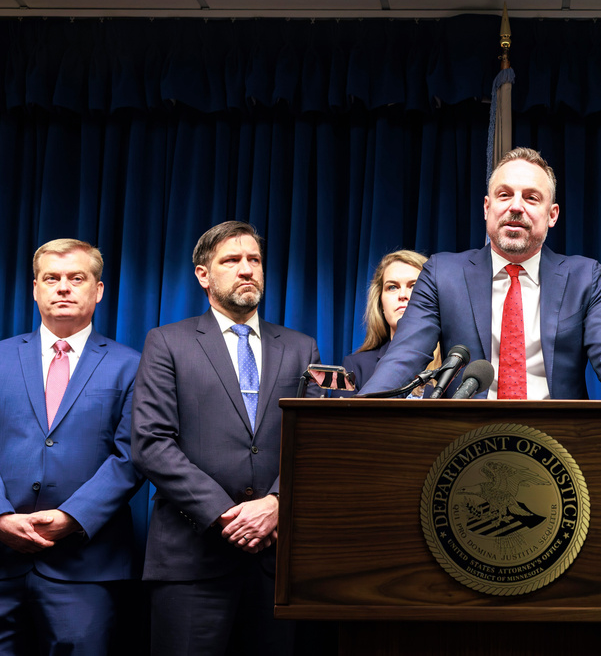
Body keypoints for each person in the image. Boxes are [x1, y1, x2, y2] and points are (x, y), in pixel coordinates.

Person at [131, 221, 322, 656]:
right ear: (203, 275)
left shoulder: (301, 348)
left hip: (277, 562)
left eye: (253, 260)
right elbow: (151, 443)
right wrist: (227, 515)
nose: (246, 270)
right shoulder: (167, 343)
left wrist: (274, 504)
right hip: (191, 561)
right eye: (231, 261)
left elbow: (311, 443)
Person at [359, 147, 601, 400]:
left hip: (558, 445)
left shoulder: (585, 277)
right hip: (464, 443)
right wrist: (355, 418)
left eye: (531, 197)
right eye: (504, 195)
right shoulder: (441, 273)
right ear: (487, 208)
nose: (516, 206)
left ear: (552, 214)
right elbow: (403, 357)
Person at [0, 239, 142, 655]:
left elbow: (132, 455)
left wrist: (72, 516)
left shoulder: (132, 365)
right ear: (35, 289)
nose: (63, 287)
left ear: (98, 291)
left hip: (87, 565)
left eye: (76, 278)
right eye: (52, 279)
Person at [342, 250, 441, 394]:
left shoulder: (453, 364)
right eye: (392, 287)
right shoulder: (355, 367)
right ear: (380, 303)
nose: (402, 295)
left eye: (414, 286)